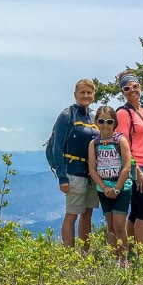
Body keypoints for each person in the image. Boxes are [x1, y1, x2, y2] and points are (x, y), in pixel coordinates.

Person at [52, 79, 100, 250]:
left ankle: (84, 254)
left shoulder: (93, 117)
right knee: (72, 214)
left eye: (89, 92)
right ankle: (69, 255)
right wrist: (62, 177)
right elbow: (57, 147)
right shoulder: (67, 115)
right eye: (82, 92)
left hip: (91, 174)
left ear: (93, 95)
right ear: (75, 95)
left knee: (87, 214)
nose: (86, 95)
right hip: (73, 172)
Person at [115, 72, 143, 252]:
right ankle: (141, 254)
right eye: (127, 88)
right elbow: (122, 144)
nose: (132, 90)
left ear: (140, 87)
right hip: (134, 166)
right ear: (123, 92)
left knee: (136, 209)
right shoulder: (123, 114)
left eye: (135, 86)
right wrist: (136, 170)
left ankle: (129, 251)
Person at [87, 106, 133, 267]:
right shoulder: (94, 144)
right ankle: (114, 258)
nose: (105, 124)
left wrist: (117, 188)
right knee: (111, 224)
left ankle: (124, 259)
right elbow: (92, 169)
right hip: (103, 189)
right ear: (96, 123)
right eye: (101, 121)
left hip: (121, 188)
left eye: (109, 121)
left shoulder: (121, 140)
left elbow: (127, 166)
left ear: (115, 123)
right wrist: (105, 188)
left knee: (120, 224)